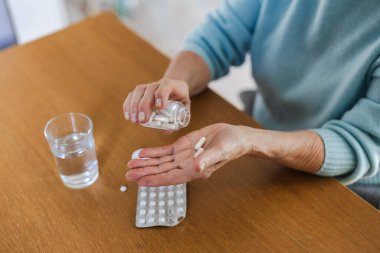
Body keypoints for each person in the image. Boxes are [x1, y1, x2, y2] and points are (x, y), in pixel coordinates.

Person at [123, 0, 380, 208]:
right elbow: (222, 33)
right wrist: (175, 83)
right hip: (261, 129)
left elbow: (357, 143)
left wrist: (251, 141)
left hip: (344, 183)